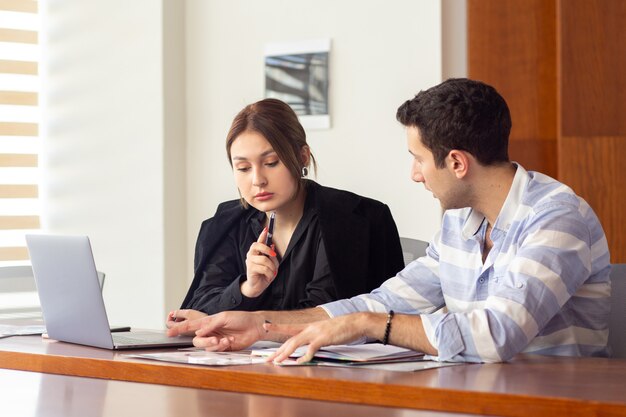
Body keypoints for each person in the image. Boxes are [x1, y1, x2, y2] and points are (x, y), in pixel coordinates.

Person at [168, 79, 611, 363]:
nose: (414, 174)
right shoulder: (460, 224)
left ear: (456, 162)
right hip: (475, 395)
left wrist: (367, 325)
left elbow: (495, 335)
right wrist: (263, 324)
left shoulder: (556, 218)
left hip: (551, 402)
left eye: (418, 160)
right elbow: (383, 301)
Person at [166, 98, 405, 327]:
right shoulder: (225, 223)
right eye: (243, 168)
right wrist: (247, 289)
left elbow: (327, 313)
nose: (258, 180)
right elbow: (197, 308)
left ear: (302, 156)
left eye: (271, 163)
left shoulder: (352, 218)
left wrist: (248, 321)